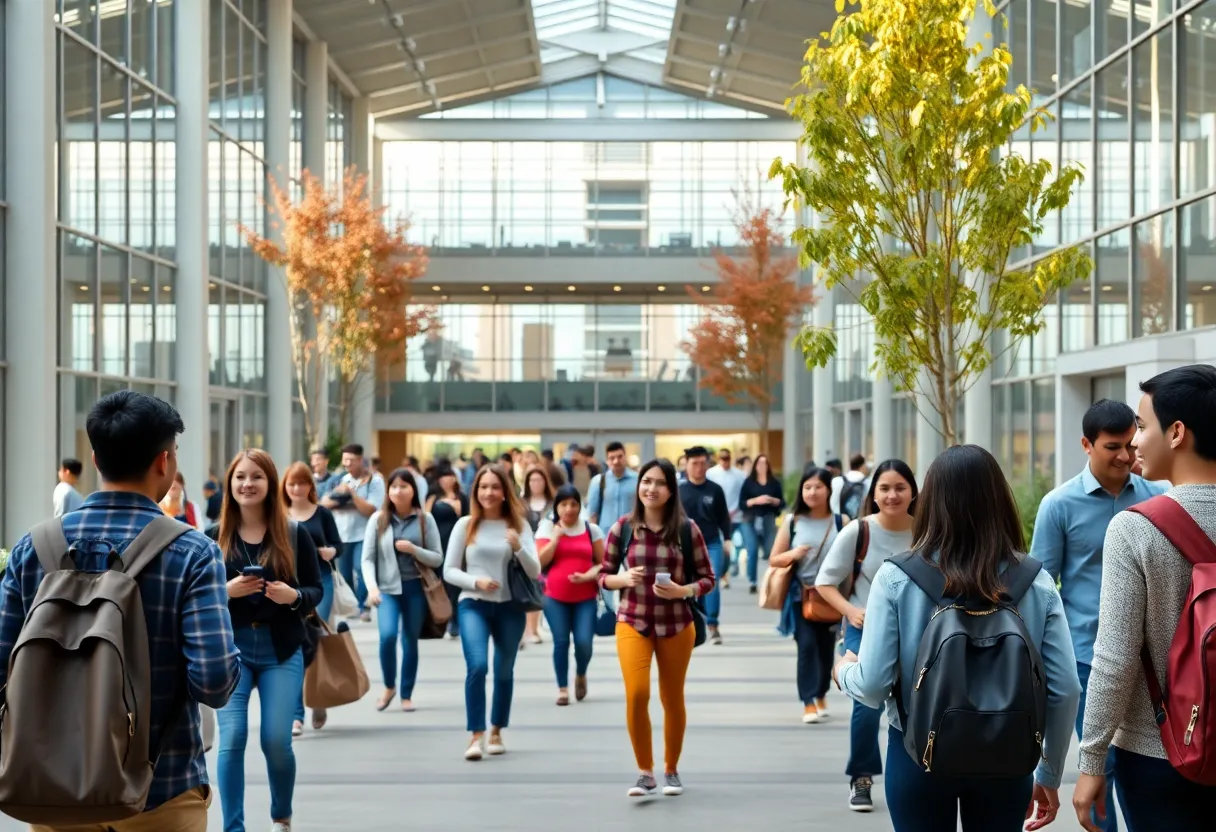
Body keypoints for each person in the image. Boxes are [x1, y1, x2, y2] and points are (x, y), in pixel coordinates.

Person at [0, 391, 239, 832]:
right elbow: (215, 681)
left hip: (53, 790)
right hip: (161, 788)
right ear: (164, 462)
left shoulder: (34, 548)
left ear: (94, 457)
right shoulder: (192, 553)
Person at [833, 445, 1080, 832]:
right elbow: (1065, 689)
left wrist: (844, 670)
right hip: (1009, 755)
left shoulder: (896, 578)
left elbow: (873, 686)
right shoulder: (1036, 581)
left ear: (930, 501)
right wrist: (1049, 772)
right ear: (1000, 500)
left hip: (918, 754)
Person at [1073, 365, 1216, 831]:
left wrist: (1092, 761)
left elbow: (1115, 658)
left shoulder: (1137, 527)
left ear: (1176, 433)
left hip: (1159, 749)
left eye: (1143, 424)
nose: (1134, 441)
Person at [1031, 398, 1168, 831]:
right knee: (1101, 763)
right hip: (1090, 658)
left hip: (1155, 660)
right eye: (1113, 447)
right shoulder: (1059, 505)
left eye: (1131, 443)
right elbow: (1041, 588)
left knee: (1148, 762)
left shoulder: (1160, 498)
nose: (1126, 456)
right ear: (1086, 444)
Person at [207, 449, 324, 832]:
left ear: (271, 483)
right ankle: (234, 827)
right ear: (230, 484)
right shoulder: (213, 538)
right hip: (231, 652)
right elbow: (199, 596)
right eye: (240, 476)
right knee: (233, 737)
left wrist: (295, 597)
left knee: (276, 740)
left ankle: (281, 816)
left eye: (256, 476)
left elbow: (315, 588)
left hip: (281, 649)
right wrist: (227, 590)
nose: (247, 484)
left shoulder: (293, 533)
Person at [600, 458, 716, 798]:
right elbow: (603, 576)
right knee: (637, 694)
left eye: (659, 483)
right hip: (632, 621)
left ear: (670, 490)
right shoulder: (621, 528)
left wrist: (683, 590)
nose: (651, 488)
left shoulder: (686, 529)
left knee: (671, 697)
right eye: (646, 481)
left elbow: (708, 578)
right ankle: (645, 772)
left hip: (677, 625)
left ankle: (671, 770)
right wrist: (622, 578)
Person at [813, 459, 919, 812]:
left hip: (917, 632)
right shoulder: (859, 532)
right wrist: (851, 610)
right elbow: (824, 582)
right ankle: (861, 776)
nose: (892, 495)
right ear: (873, 495)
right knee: (866, 702)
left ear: (913, 493)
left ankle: (920, 767)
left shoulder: (926, 532)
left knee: (915, 703)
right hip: (864, 630)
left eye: (900, 488)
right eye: (885, 488)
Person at [443, 464, 541, 761]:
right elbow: (448, 570)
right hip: (473, 603)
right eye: (483, 487)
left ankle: (497, 729)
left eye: (495, 487)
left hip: (510, 607)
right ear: (476, 491)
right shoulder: (466, 525)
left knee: (503, 670)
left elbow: (535, 571)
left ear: (504, 492)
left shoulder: (519, 526)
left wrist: (518, 547)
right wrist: (476, 582)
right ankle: (476, 735)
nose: (488, 492)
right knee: (478, 666)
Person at [363, 467, 444, 714]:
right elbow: (367, 559)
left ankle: (406, 693)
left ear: (413, 491)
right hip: (387, 590)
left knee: (409, 640)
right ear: (388, 491)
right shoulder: (378, 520)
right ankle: (389, 685)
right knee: (387, 637)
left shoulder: (424, 519)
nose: (398, 491)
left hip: (416, 589)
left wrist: (414, 550)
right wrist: (372, 588)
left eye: (404, 486)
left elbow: (437, 557)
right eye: (394, 486)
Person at [769, 467, 842, 724]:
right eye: (808, 487)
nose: (812, 492)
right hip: (802, 596)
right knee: (807, 647)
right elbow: (774, 559)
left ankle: (821, 692)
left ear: (829, 490)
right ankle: (808, 701)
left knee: (825, 650)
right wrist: (793, 554)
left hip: (833, 597)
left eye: (818, 487)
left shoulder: (842, 521)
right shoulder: (793, 521)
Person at [282, 461, 342, 736]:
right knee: (295, 644)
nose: (296, 488)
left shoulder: (322, 514)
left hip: (321, 582)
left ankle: (319, 698)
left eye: (302, 483)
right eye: (292, 483)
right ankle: (296, 714)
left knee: (314, 639)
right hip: (289, 587)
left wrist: (330, 552)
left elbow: (338, 545)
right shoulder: (278, 515)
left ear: (310, 486)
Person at [537, 484, 605, 706]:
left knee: (584, 642)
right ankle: (563, 689)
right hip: (555, 597)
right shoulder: (547, 529)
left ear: (579, 506)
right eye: (564, 504)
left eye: (573, 504)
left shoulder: (591, 530)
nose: (569, 509)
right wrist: (556, 538)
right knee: (561, 642)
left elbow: (602, 564)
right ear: (557, 507)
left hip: (585, 596)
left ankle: (581, 674)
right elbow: (539, 562)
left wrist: (588, 576)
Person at [320, 443, 385, 622]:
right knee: (345, 572)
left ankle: (363, 605)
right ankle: (356, 605)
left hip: (364, 534)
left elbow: (371, 509)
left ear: (360, 460)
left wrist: (351, 495)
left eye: (351, 460)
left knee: (361, 568)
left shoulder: (375, 480)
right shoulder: (339, 479)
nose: (347, 464)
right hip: (342, 534)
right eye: (344, 460)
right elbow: (324, 503)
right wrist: (341, 498)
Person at [678, 446, 731, 644]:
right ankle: (691, 622)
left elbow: (723, 517)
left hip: (711, 543)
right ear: (686, 464)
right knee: (687, 583)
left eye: (703, 463)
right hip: (684, 544)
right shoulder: (679, 490)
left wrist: (727, 539)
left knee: (712, 581)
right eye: (695, 463)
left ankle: (713, 624)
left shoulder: (715, 490)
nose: (699, 468)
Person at [426, 463, 469, 639]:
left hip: (459, 540)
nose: (448, 479)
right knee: (441, 582)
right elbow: (425, 517)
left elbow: (469, 518)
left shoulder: (463, 497)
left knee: (456, 583)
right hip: (438, 541)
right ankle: (442, 619)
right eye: (444, 476)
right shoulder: (433, 497)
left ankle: (456, 621)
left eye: (451, 476)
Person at [520, 465, 557, 646]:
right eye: (532, 480)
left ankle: (533, 628)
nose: (536, 483)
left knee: (540, 587)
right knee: (528, 587)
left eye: (539, 480)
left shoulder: (552, 503)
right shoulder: (522, 503)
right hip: (525, 549)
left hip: (546, 549)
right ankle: (528, 629)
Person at [739, 453, 785, 593]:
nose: (762, 466)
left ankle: (771, 581)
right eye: (759, 463)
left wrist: (771, 500)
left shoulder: (774, 482)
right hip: (750, 519)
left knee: (770, 551)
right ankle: (752, 581)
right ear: (755, 466)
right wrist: (755, 501)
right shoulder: (749, 482)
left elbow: (782, 503)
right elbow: (742, 503)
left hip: (768, 518)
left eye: (765, 463)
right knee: (752, 549)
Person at [707, 447, 747, 585]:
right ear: (719, 459)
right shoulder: (711, 473)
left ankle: (725, 571)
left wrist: (735, 510)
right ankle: (722, 573)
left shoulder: (739, 475)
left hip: (735, 516)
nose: (725, 461)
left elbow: (743, 494)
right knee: (721, 546)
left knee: (731, 546)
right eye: (723, 458)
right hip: (717, 517)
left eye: (727, 458)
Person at [588, 441, 639, 529]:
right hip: (605, 535)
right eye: (612, 458)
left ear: (625, 457)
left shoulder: (637, 480)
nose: (616, 461)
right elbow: (592, 514)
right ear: (607, 461)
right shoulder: (598, 481)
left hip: (631, 533)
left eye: (620, 457)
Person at [831, 453, 870, 518]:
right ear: (863, 466)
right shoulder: (868, 482)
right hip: (860, 524)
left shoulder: (836, 481)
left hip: (839, 523)